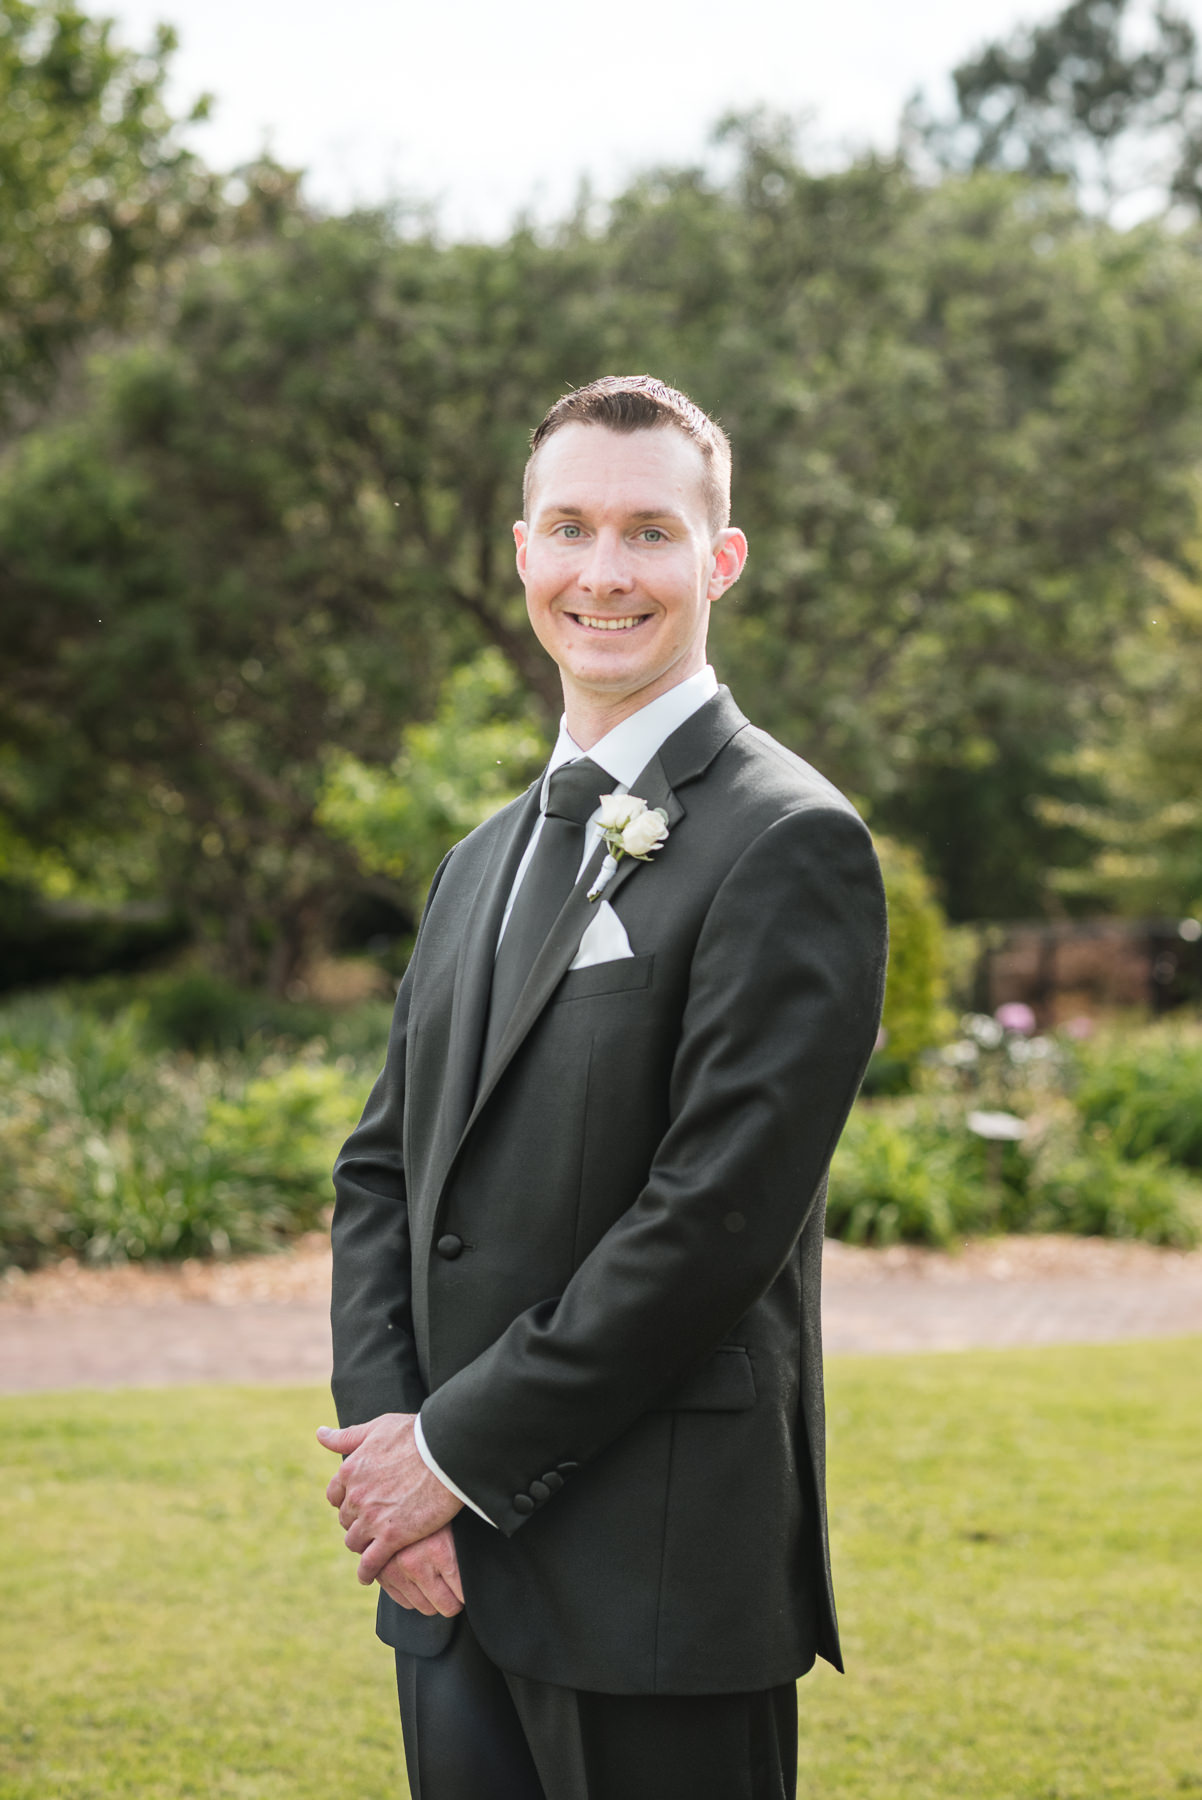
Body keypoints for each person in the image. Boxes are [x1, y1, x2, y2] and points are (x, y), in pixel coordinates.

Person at [319, 375, 888, 1800]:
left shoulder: (789, 840)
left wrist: (449, 1452)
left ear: (720, 559)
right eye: (567, 527)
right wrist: (401, 1484)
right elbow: (384, 1175)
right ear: (520, 552)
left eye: (647, 531)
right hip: (444, 1574)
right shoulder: (478, 858)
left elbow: (709, 1221)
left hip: (655, 1578)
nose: (602, 572)